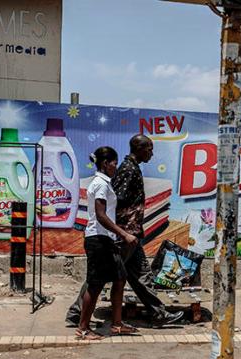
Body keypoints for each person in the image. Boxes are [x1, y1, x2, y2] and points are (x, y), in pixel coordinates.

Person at [67, 135, 183, 328]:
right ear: (138, 148)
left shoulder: (132, 168)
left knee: (141, 274)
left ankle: (158, 314)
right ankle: (77, 313)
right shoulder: (128, 170)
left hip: (133, 233)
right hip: (125, 234)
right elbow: (115, 203)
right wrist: (122, 234)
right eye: (149, 149)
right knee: (102, 275)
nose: (151, 153)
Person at [76, 146, 138, 340]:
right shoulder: (100, 184)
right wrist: (124, 234)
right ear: (105, 163)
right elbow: (101, 216)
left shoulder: (104, 183)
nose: (115, 167)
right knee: (95, 285)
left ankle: (117, 324)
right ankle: (83, 329)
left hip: (106, 239)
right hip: (98, 239)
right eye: (114, 163)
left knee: (120, 278)